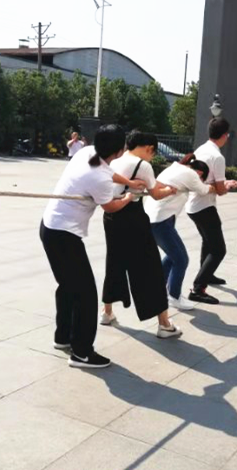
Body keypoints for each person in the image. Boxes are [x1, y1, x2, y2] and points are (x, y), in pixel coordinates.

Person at [40, 125, 142, 369]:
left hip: (49, 227)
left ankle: (63, 337)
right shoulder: (98, 178)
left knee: (68, 287)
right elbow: (111, 206)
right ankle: (82, 353)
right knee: (85, 295)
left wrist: (129, 182)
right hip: (64, 236)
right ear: (119, 150)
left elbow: (109, 173)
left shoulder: (86, 152)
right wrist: (129, 196)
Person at [100, 132, 182, 339]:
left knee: (114, 262)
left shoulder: (115, 161)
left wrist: (162, 186)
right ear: (149, 148)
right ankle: (164, 324)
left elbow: (151, 184)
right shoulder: (142, 165)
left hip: (111, 217)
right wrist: (171, 191)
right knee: (150, 267)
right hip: (133, 218)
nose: (151, 158)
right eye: (152, 154)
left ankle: (107, 312)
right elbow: (156, 194)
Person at [145, 154, 215, 311]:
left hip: (156, 218)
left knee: (172, 256)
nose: (200, 180)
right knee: (181, 259)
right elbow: (203, 190)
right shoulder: (190, 174)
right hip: (160, 221)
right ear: (199, 172)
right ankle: (174, 296)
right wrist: (214, 187)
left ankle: (157, 290)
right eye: (201, 177)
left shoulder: (174, 169)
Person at [186, 118, 237, 304]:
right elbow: (220, 190)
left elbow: (205, 181)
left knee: (208, 242)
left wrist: (223, 183)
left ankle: (207, 274)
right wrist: (229, 185)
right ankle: (198, 288)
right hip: (204, 206)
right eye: (228, 135)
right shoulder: (217, 157)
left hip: (193, 205)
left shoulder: (200, 149)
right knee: (218, 250)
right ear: (224, 135)